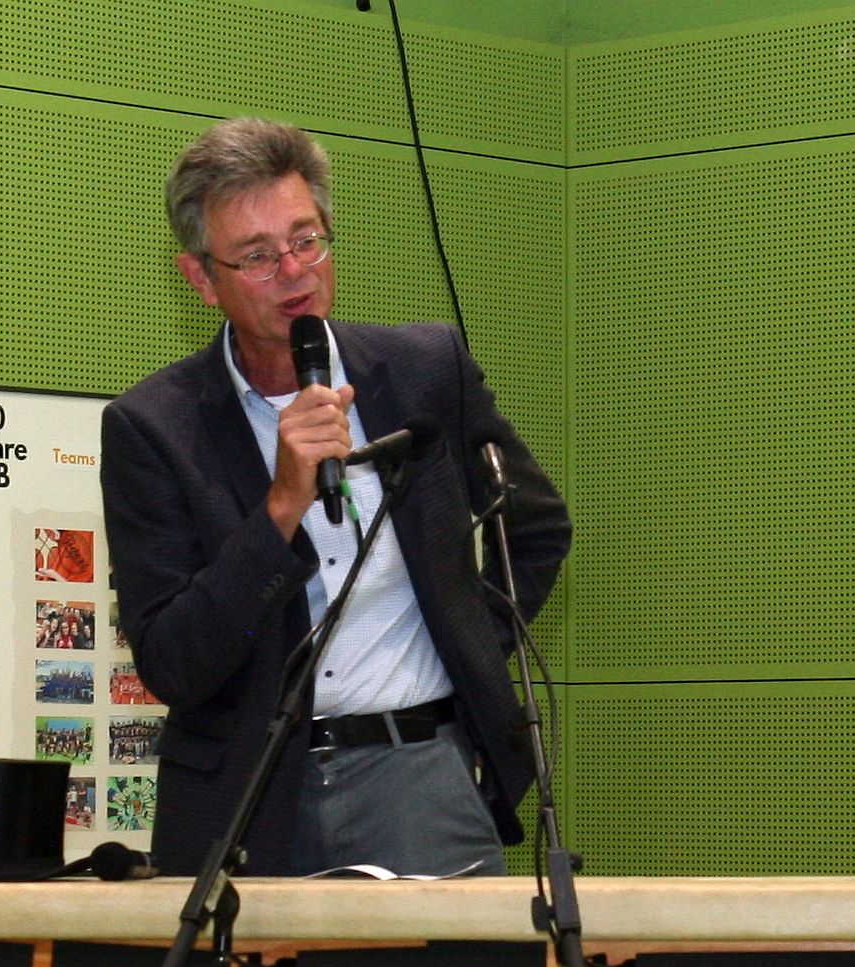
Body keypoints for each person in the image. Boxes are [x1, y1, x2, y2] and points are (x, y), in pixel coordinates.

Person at [103, 118, 570, 878]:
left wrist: (462, 646)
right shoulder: (153, 428)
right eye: (257, 256)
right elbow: (174, 662)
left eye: (306, 240)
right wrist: (281, 506)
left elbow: (535, 526)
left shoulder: (425, 370)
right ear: (201, 278)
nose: (294, 271)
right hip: (247, 793)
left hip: (419, 773)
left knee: (457, 962)